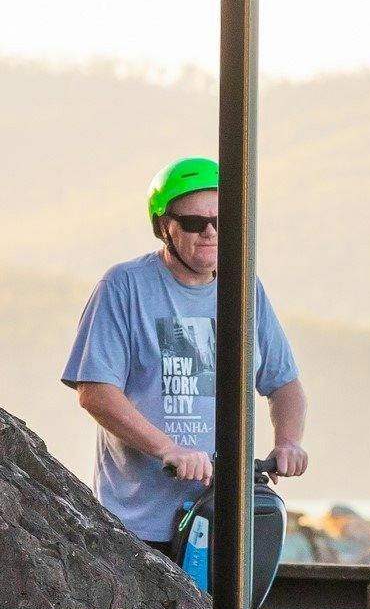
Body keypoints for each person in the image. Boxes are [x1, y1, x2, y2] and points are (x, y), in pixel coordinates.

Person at [62, 158, 308, 548]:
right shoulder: (124, 286)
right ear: (165, 227)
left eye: (221, 220)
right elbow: (95, 391)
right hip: (139, 526)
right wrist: (169, 449)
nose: (210, 232)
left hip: (223, 517)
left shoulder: (245, 289)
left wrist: (288, 442)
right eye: (194, 223)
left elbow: (284, 383)